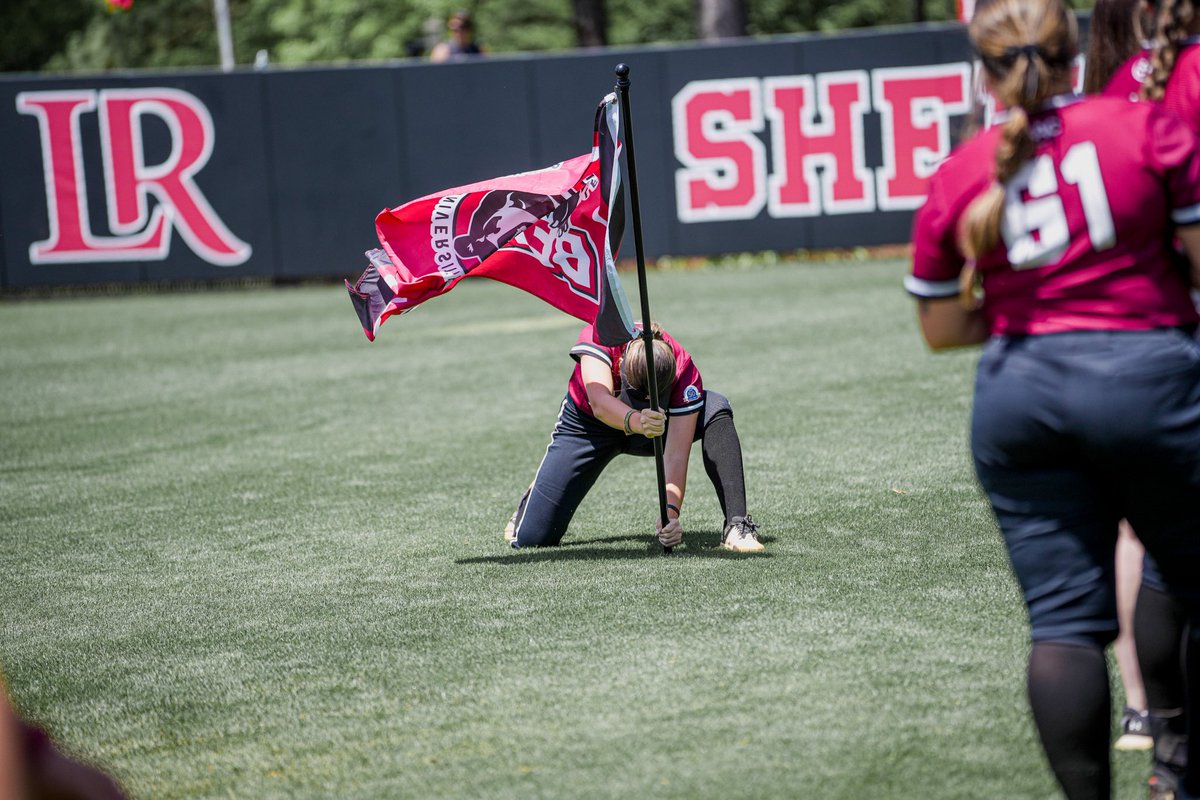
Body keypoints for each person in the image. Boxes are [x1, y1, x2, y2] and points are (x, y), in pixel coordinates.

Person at [906, 0, 1200, 797]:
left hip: (1020, 397)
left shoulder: (961, 169)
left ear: (985, 71)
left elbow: (941, 328)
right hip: (1148, 377)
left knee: (1064, 627)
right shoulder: (1142, 127)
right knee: (1185, 578)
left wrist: (1023, 310)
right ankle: (1180, 768)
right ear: (1078, 52)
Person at [504, 322, 764, 553]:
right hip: (590, 427)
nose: (647, 400)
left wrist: (670, 515)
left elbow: (675, 455)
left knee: (716, 406)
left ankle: (737, 525)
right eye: (640, 394)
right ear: (621, 367)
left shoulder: (684, 369)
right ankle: (541, 486)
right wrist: (637, 421)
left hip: (657, 427)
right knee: (533, 538)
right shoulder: (600, 338)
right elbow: (599, 403)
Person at [1081, 0, 1160, 757]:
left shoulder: (1097, 106)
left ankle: (1143, 707)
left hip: (1109, 346)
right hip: (1163, 335)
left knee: (1135, 527)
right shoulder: (1160, 84)